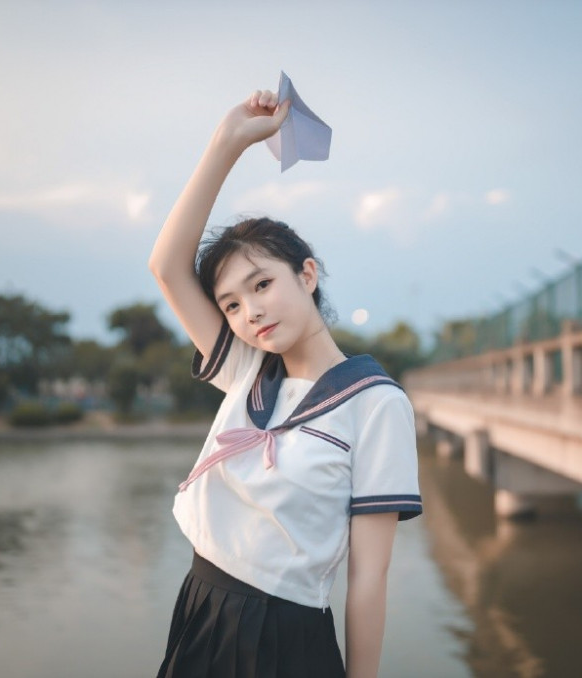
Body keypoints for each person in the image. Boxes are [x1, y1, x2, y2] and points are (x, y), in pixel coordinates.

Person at [148, 87, 422, 678]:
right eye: (230, 304)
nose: (249, 311)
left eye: (261, 284)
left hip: (284, 634)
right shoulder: (248, 371)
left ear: (306, 273)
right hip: (200, 607)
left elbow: (368, 576)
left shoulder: (375, 404)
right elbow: (167, 267)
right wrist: (226, 144)